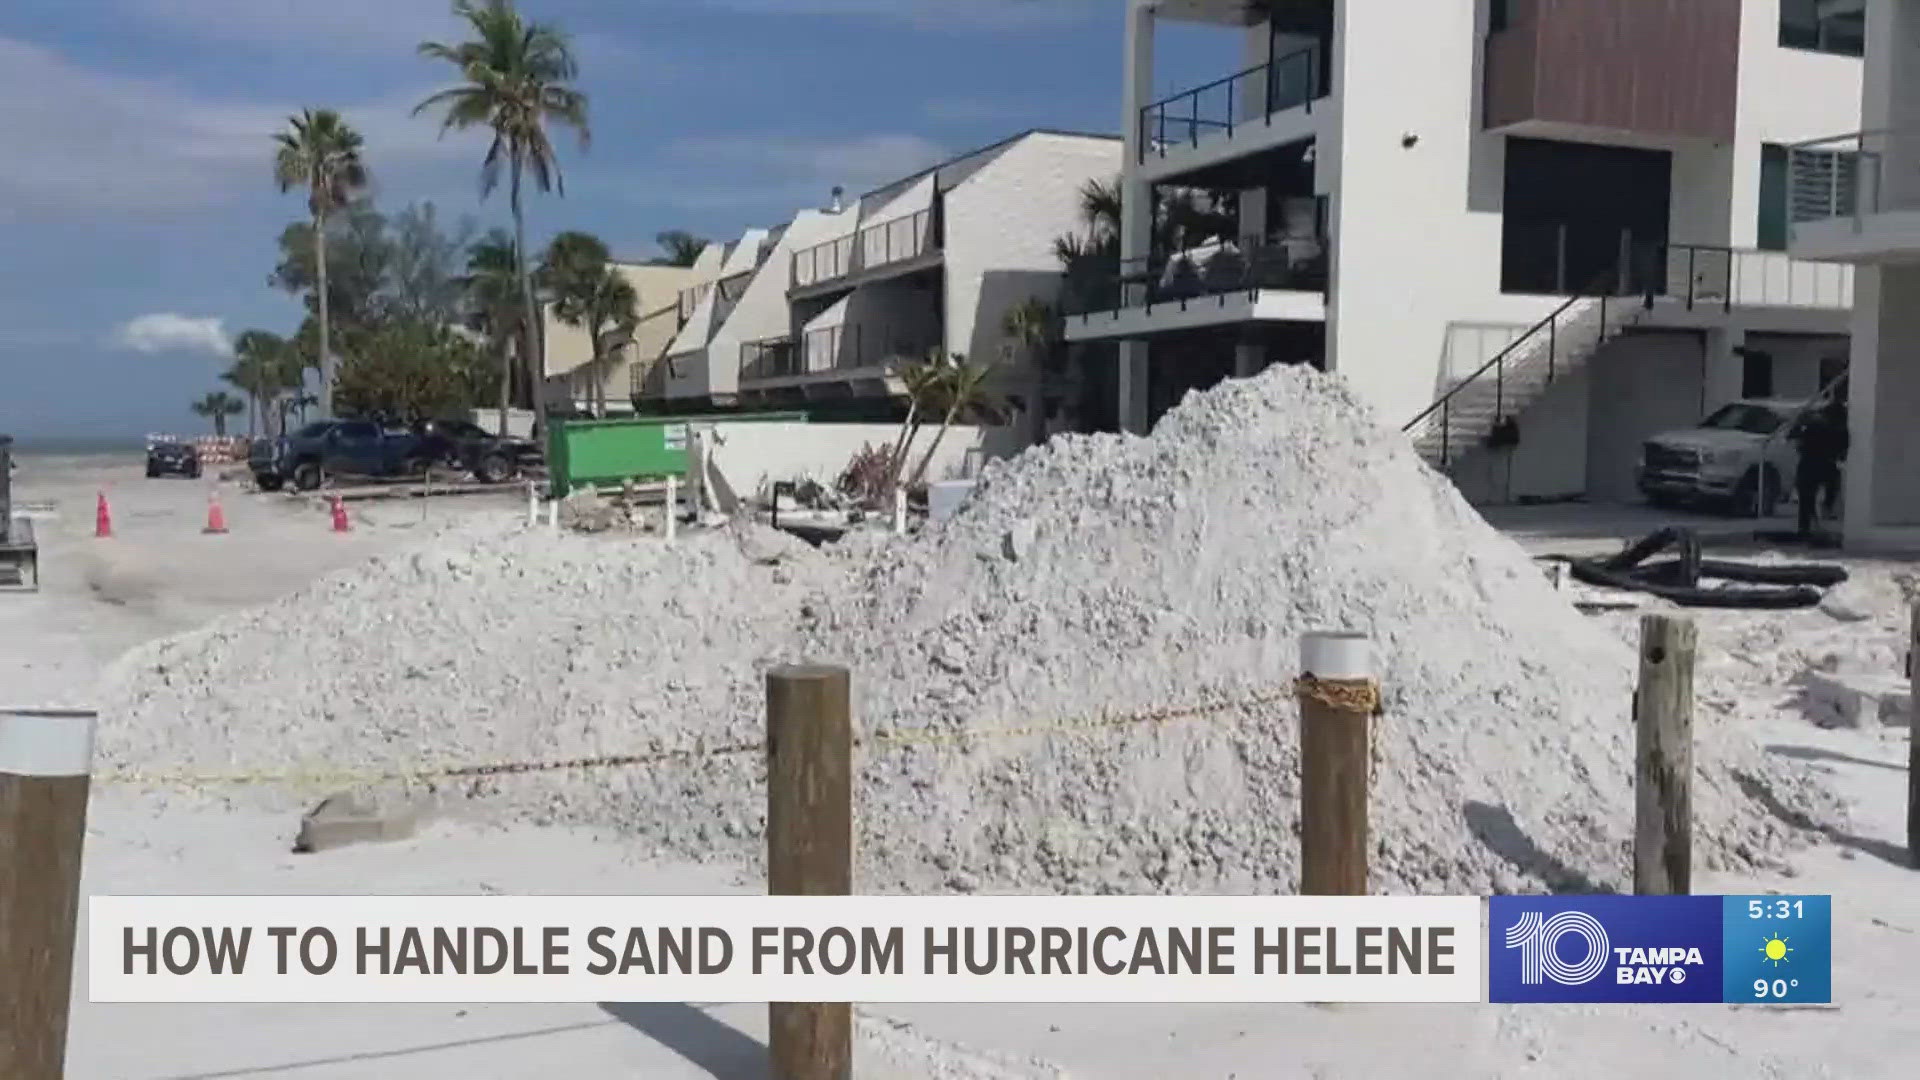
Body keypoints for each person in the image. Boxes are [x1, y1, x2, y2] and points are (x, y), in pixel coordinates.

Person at [1789, 403, 1845, 537]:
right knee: (1830, 484)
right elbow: (1842, 450)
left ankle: (1806, 526)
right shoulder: (1837, 428)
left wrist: (1798, 425)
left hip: (1809, 463)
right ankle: (1825, 509)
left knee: (1806, 497)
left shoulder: (1811, 425)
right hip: (1824, 463)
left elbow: (1795, 438)